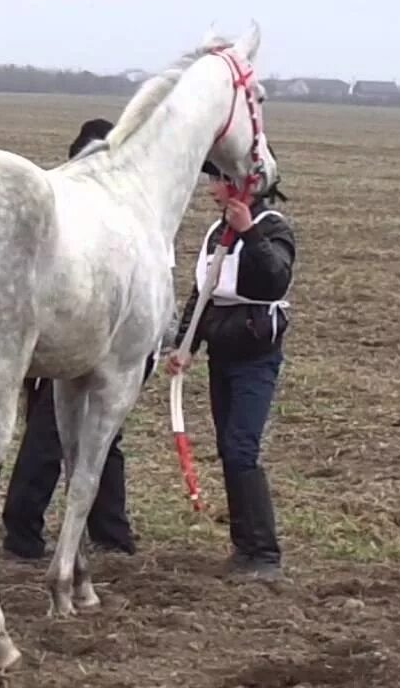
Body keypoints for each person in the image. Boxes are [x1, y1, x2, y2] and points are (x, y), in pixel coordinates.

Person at [0, 117, 156, 561]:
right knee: (57, 435)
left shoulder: (124, 216)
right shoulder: (100, 219)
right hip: (86, 338)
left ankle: (104, 530)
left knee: (100, 436)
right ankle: (27, 528)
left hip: (112, 337)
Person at [167, 169, 295, 582]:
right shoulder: (214, 233)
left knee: (242, 448)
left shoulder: (273, 228)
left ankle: (264, 553)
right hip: (221, 355)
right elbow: (201, 294)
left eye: (218, 181)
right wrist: (186, 346)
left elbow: (276, 279)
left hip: (256, 358)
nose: (210, 189)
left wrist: (249, 234)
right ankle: (244, 547)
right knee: (229, 448)